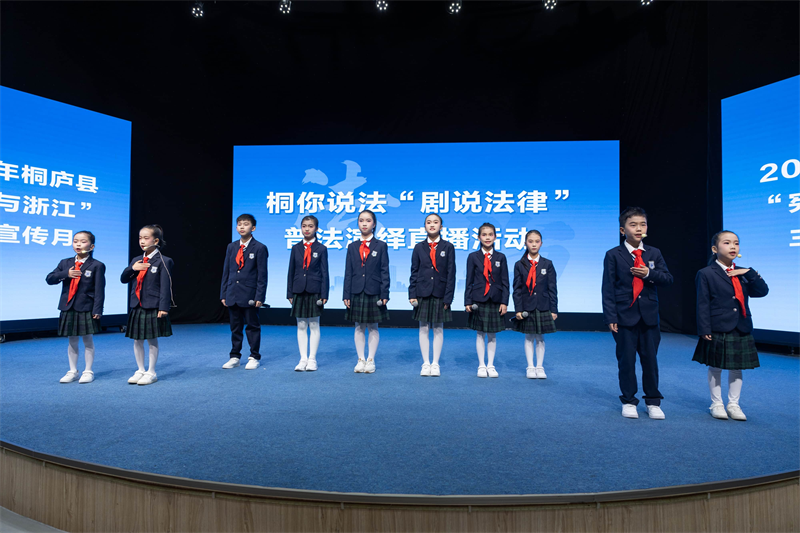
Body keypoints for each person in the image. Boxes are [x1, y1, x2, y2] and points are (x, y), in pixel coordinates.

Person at [602, 207, 673, 419]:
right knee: (626, 361)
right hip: (624, 315)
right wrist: (611, 316)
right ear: (623, 230)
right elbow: (608, 288)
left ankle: (653, 401)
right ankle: (629, 400)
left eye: (643, 224)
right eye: (633, 225)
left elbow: (668, 279)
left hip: (649, 316)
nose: (639, 228)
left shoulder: (654, 253)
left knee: (650, 360)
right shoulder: (613, 254)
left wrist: (649, 273)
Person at [693, 230, 768, 421]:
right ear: (714, 249)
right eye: (727, 243)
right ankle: (716, 403)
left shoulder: (744, 272)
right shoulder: (706, 273)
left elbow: (762, 292)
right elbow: (702, 303)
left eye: (736, 243)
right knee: (715, 366)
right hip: (718, 325)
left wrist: (750, 272)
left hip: (741, 325)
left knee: (737, 367)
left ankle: (734, 404)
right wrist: (704, 328)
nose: (733, 246)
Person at [46, 230, 105, 384]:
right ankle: (73, 371)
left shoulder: (97, 265)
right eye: (75, 241)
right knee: (72, 340)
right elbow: (50, 279)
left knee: (87, 340)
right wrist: (66, 274)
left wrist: (97, 309)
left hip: (86, 307)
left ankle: (88, 371)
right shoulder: (65, 263)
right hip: (68, 307)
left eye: (83, 241)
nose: (78, 244)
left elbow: (99, 290)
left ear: (91, 246)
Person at [121, 224, 173, 385]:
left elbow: (166, 286)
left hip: (153, 305)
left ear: (156, 241)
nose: (142, 241)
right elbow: (124, 279)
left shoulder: (164, 261)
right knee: (137, 339)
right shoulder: (136, 260)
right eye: (140, 238)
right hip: (137, 304)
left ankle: (151, 372)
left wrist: (163, 307)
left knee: (151, 339)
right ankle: (140, 370)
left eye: (146, 238)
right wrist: (132, 268)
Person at [408, 213, 456, 377]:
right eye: (429, 222)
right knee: (423, 327)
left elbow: (451, 274)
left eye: (436, 222)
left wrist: (448, 297)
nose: (432, 225)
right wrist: (412, 293)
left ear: (441, 227)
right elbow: (414, 272)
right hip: (422, 292)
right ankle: (425, 362)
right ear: (425, 226)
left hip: (440, 293)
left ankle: (435, 363)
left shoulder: (448, 247)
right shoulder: (419, 247)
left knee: (438, 328)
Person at [343, 209, 390, 374]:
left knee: (373, 326)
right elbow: (348, 272)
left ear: (374, 224)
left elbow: (385, 271)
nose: (364, 223)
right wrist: (346, 294)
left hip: (374, 290)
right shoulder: (352, 246)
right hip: (356, 291)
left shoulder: (381, 245)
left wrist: (384, 293)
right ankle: (360, 359)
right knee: (358, 327)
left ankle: (371, 360)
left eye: (368, 220)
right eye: (361, 220)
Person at [220, 214, 268, 370]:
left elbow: (262, 275)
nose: (242, 227)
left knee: (252, 326)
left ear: (253, 228)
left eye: (246, 224)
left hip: (250, 295)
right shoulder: (231, 247)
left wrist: (259, 296)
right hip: (233, 293)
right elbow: (226, 271)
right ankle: (234, 356)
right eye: (239, 224)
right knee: (235, 327)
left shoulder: (259, 248)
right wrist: (224, 293)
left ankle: (254, 356)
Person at [465, 222, 509, 378]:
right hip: (478, 299)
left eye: (490, 234)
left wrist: (504, 302)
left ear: (495, 237)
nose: (487, 237)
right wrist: (467, 301)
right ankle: (481, 365)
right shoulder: (473, 257)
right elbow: (469, 280)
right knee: (480, 333)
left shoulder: (501, 257)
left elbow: (505, 282)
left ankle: (491, 365)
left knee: (492, 334)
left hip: (495, 299)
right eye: (484, 235)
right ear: (479, 237)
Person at [511, 230, 557, 379]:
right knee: (529, 337)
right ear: (525, 243)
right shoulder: (519, 264)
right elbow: (517, 289)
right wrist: (518, 309)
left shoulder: (547, 264)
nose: (534, 244)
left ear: (541, 243)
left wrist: (554, 309)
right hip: (527, 306)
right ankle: (530, 366)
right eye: (530, 241)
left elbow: (552, 288)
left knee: (540, 337)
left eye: (537, 241)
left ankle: (540, 367)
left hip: (543, 306)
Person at [287, 215, 329, 371]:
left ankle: (312, 359)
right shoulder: (295, 248)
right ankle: (302, 359)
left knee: (314, 324)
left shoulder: (321, 248)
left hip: (314, 290)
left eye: (310, 226)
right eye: (304, 226)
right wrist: (289, 292)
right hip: (298, 290)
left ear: (316, 229)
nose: (307, 229)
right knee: (301, 324)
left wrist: (324, 294)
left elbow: (325, 273)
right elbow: (291, 271)